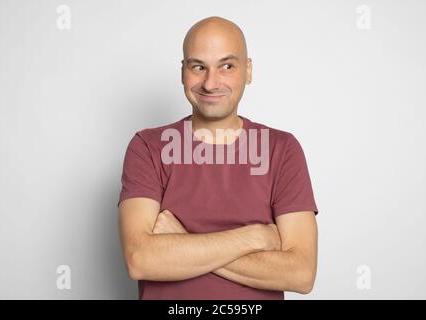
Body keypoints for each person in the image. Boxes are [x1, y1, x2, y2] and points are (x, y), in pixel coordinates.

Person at [117, 16, 319, 300]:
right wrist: (255, 238)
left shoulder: (282, 150)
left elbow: (301, 274)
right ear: (183, 72)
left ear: (247, 71)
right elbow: (140, 259)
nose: (211, 84)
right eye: (198, 67)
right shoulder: (147, 147)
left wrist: (182, 243)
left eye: (227, 66)